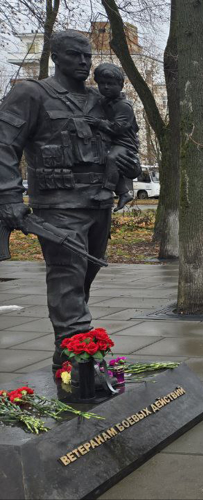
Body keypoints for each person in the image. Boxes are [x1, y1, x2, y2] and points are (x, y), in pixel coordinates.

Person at [0, 31, 140, 372]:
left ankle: (71, 346)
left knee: (83, 279)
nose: (83, 62)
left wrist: (127, 172)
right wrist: (9, 195)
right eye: (76, 55)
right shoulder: (32, 93)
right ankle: (78, 358)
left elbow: (126, 141)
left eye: (87, 57)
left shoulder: (102, 101)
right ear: (56, 57)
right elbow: (4, 144)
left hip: (98, 203)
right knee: (66, 276)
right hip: (57, 206)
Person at [86, 63, 136, 211]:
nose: (106, 87)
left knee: (112, 158)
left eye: (110, 84)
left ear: (120, 85)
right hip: (113, 142)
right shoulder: (104, 101)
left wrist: (99, 123)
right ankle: (123, 193)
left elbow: (119, 128)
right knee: (111, 164)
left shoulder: (123, 105)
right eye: (102, 84)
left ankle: (107, 191)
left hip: (125, 144)